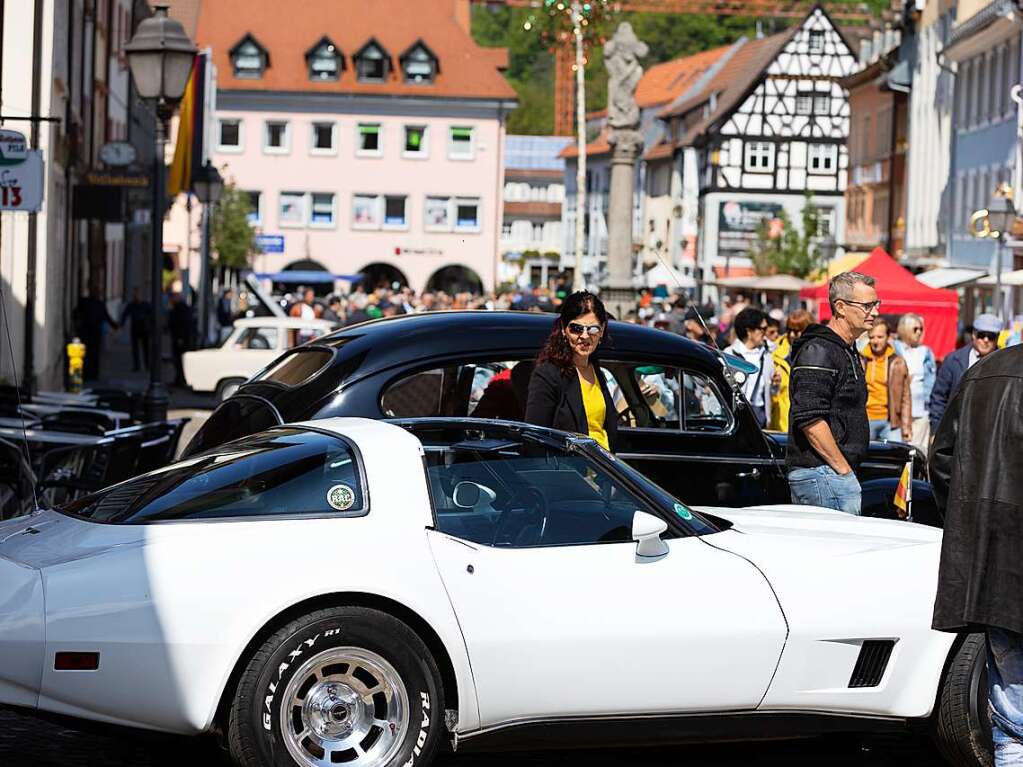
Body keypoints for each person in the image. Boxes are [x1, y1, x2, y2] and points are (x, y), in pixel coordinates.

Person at [930, 344, 1023, 766]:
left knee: (1011, 708)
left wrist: (971, 521)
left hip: (994, 561)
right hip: (999, 557)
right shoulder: (984, 370)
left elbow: (942, 459)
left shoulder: (987, 369)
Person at [785, 272, 877, 515]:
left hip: (832, 474)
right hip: (822, 474)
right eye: (867, 306)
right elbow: (809, 418)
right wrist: (843, 470)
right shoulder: (818, 350)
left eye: (875, 304)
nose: (874, 313)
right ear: (841, 307)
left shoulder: (846, 349)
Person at [525, 291, 618, 452]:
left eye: (593, 329)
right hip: (571, 472)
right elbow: (534, 439)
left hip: (604, 471)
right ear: (564, 329)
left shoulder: (597, 371)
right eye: (576, 328)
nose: (584, 336)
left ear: (602, 330)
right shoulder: (548, 374)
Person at [929, 313, 1002, 433]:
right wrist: (936, 431)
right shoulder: (953, 360)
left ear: (998, 338)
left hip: (990, 432)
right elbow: (939, 397)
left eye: (991, 336)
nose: (986, 340)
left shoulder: (1004, 362)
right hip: (956, 430)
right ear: (973, 335)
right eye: (981, 335)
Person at [860, 319, 913, 442]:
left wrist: (906, 428)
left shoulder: (898, 362)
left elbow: (906, 397)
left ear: (888, 338)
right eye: (872, 337)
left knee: (895, 458)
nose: (875, 341)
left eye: (880, 337)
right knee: (864, 460)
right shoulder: (861, 360)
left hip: (890, 422)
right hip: (866, 419)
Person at [725, 308, 774, 429]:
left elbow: (770, 390)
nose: (765, 333)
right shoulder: (729, 354)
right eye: (762, 329)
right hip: (736, 412)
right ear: (749, 331)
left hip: (760, 413)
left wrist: (775, 384)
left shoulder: (767, 355)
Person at [894, 313, 936, 451]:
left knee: (920, 451)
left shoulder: (926, 352)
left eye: (920, 329)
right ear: (905, 329)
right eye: (915, 329)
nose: (918, 332)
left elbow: (931, 380)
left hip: (922, 409)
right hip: (899, 411)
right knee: (902, 451)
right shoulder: (894, 348)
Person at [769, 308, 812, 433]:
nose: (792, 335)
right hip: (779, 424)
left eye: (797, 331)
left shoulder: (817, 353)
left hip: (806, 425)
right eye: (789, 330)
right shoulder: (774, 353)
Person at [73, 284, 120, 381]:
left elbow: (106, 317)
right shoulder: (90, 303)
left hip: (90, 332)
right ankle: (91, 374)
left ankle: (90, 373)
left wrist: (115, 326)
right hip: (90, 332)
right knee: (92, 354)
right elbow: (106, 317)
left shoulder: (89, 302)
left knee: (91, 354)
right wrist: (115, 326)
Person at [120, 287, 151, 372]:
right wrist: (120, 325)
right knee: (135, 349)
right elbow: (124, 315)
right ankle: (137, 366)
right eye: (135, 294)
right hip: (135, 329)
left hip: (144, 329)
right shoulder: (131, 305)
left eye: (137, 294)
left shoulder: (145, 305)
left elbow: (151, 315)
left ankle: (147, 365)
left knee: (146, 349)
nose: (136, 296)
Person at [168, 292, 193, 387]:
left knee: (179, 360)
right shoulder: (179, 308)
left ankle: (181, 379)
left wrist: (180, 338)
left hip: (180, 339)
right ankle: (179, 379)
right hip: (179, 338)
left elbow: (182, 325)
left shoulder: (181, 309)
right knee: (178, 360)